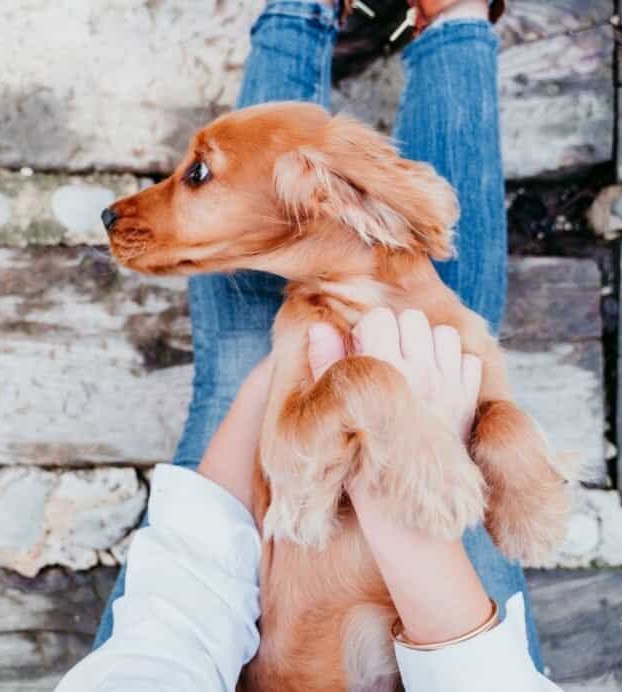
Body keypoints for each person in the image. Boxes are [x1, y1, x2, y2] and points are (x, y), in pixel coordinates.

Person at [66, 0, 554, 687]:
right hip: (451, 628)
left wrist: (358, 375)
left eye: (195, 173)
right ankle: (454, 19)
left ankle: (301, 7)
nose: (135, 205)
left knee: (241, 374)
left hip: (212, 616)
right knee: (444, 310)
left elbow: (176, 616)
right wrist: (442, 431)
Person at [56, 307, 560, 691]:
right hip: (447, 627)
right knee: (449, 322)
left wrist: (288, 357)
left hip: (246, 637)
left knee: (241, 359)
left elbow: (167, 641)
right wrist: (399, 486)